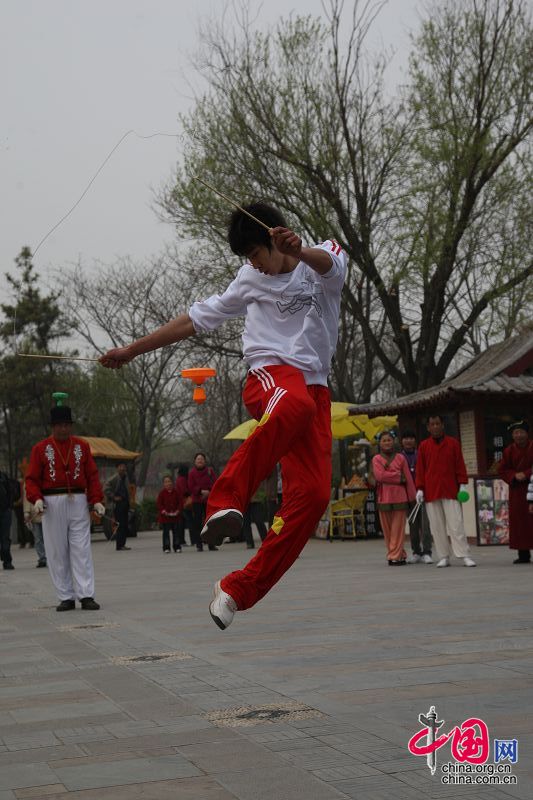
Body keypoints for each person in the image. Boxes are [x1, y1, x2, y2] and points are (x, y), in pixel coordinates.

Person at [100, 203, 346, 629]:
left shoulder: (323, 254)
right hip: (268, 377)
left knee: (313, 497)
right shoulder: (249, 280)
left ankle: (236, 588)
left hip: (315, 390)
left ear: (274, 239)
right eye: (248, 260)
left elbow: (330, 266)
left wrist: (301, 251)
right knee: (292, 404)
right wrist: (131, 351)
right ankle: (225, 500)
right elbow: (191, 322)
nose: (254, 266)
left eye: (256, 254)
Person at [25, 397, 105, 610]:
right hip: (52, 502)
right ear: (53, 427)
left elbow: (92, 476)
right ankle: (66, 596)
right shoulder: (40, 449)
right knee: (57, 550)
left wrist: (96, 500)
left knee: (81, 548)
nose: (63, 428)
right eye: (60, 425)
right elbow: (31, 478)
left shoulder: (82, 446)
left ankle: (86, 594)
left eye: (67, 425)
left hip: (78, 500)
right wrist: (37, 499)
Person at [415, 414, 476, 568]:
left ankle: (464, 555)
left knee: (456, 524)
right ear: (428, 427)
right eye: (432, 424)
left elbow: (460, 465)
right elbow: (420, 469)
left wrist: (462, 484)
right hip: (431, 490)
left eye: (437, 423)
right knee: (437, 526)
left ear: (443, 425)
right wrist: (420, 488)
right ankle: (444, 556)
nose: (435, 427)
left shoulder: (453, 443)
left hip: (450, 489)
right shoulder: (423, 446)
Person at [372, 431, 416, 565]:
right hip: (383, 497)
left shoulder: (400, 458)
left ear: (394, 441)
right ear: (379, 443)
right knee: (387, 530)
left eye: (389, 440)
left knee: (398, 529)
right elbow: (379, 476)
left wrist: (412, 497)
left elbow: (407, 478)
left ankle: (394, 556)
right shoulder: (376, 459)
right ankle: (399, 553)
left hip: (400, 497)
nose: (387, 443)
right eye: (384, 440)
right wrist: (398, 477)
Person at [498, 420, 533, 563]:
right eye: (516, 433)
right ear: (512, 435)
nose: (519, 435)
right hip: (517, 491)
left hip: (531, 485)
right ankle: (523, 554)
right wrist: (514, 475)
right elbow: (502, 470)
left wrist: (526, 473)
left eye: (521, 432)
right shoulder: (508, 450)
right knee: (520, 522)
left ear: (527, 433)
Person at [400, 430, 433, 564]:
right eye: (406, 438)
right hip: (408, 495)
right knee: (412, 524)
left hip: (423, 493)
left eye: (411, 438)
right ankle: (416, 552)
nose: (408, 441)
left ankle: (427, 552)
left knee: (425, 524)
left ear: (415, 441)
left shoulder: (421, 454)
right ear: (402, 441)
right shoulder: (399, 457)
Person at [187, 453, 217, 552]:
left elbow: (215, 483)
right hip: (197, 501)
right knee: (198, 523)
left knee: (210, 522)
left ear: (205, 461)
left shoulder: (210, 471)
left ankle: (211, 544)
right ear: (195, 461)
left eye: (201, 459)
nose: (200, 461)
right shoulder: (191, 473)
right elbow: (190, 486)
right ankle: (199, 544)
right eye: (198, 459)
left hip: (209, 500)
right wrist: (200, 491)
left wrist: (209, 491)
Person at [104, 462, 132, 551]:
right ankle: (119, 545)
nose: (122, 468)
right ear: (117, 468)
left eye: (124, 467)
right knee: (120, 525)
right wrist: (113, 497)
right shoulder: (114, 478)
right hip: (118, 505)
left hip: (125, 503)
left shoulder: (126, 478)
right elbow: (105, 488)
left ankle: (122, 544)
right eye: (120, 467)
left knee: (125, 525)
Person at [22, 480, 47, 568]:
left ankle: (50, 557)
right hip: (34, 513)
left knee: (48, 538)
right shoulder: (29, 481)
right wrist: (26, 512)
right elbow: (26, 497)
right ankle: (42, 558)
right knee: (38, 538)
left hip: (46, 512)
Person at [157, 475, 183, 553]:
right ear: (163, 484)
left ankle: (177, 546)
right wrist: (164, 511)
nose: (168, 483)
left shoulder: (177, 492)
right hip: (165, 517)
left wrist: (178, 511)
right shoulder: (161, 493)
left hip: (176, 516)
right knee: (166, 533)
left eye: (169, 481)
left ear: (172, 482)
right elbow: (159, 504)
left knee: (176, 532)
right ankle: (166, 547)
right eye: (166, 482)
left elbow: (180, 503)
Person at [0, 470, 15, 570]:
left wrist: (9, 506)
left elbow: (10, 491)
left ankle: (7, 561)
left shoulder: (3, 476)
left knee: (5, 538)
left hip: (5, 511)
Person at [175, 464, 192, 546]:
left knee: (181, 523)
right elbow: (184, 491)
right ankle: (185, 540)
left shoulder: (178, 479)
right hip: (184, 503)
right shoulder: (182, 479)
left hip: (180, 503)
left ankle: (181, 540)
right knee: (189, 522)